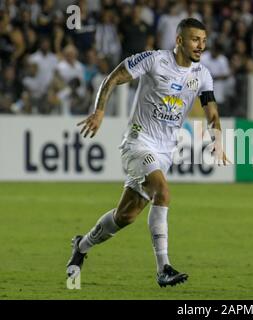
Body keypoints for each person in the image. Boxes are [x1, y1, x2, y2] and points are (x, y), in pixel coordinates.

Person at [66, 18, 230, 287]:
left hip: (164, 151)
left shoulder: (202, 75)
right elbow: (114, 76)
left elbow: (211, 109)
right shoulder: (154, 60)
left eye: (203, 40)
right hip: (138, 141)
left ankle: (81, 246)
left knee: (125, 216)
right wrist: (99, 110)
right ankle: (163, 268)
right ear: (179, 41)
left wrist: (218, 137)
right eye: (194, 39)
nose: (201, 45)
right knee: (162, 192)